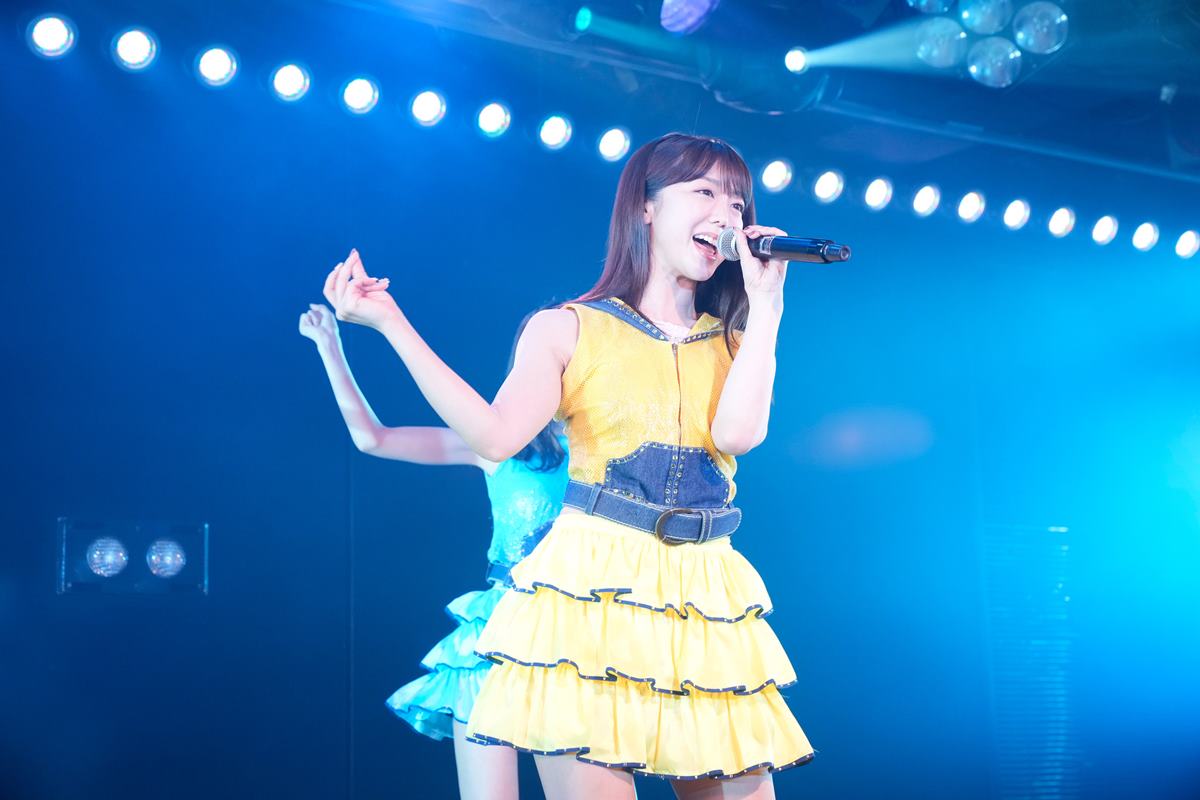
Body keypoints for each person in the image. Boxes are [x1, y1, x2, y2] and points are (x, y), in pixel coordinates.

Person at [322, 132, 814, 799]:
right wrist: (391, 322)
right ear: (646, 206)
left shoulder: (734, 340)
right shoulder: (568, 328)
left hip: (706, 595)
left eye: (737, 201)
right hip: (591, 590)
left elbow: (739, 435)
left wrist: (768, 306)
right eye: (705, 192)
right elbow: (494, 436)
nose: (727, 214)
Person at [298, 302, 568, 800]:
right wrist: (330, 348)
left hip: (583, 634)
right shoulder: (497, 447)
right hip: (500, 630)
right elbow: (372, 439)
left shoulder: (619, 453)